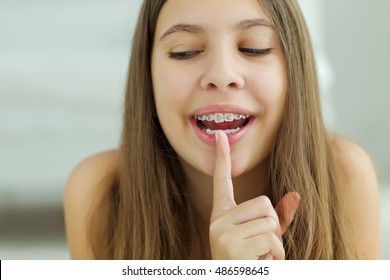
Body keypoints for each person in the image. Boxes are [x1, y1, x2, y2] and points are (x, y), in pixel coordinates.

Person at [64, 0, 380, 260]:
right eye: (184, 51)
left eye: (254, 48)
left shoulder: (344, 177)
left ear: (293, 70)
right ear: (147, 76)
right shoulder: (99, 192)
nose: (221, 75)